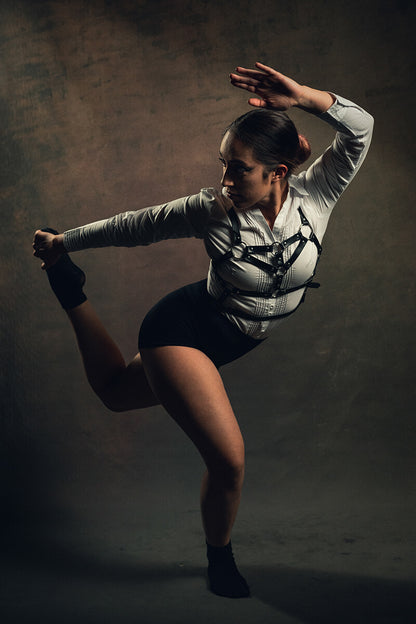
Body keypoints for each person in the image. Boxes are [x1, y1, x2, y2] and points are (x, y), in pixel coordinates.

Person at [32, 62, 373, 598]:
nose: (225, 180)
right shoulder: (211, 210)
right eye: (223, 166)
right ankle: (220, 559)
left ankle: (69, 288)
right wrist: (64, 241)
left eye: (238, 169)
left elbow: (361, 128)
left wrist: (304, 96)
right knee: (229, 459)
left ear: (278, 172)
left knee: (116, 394)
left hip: (233, 341)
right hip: (184, 330)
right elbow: (135, 225)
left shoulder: (318, 194)